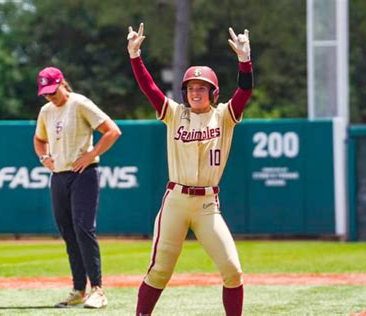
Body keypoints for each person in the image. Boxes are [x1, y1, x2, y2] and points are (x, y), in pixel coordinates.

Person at [127, 22, 253, 316]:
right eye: (191, 88)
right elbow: (150, 88)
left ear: (213, 92)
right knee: (159, 270)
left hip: (208, 204)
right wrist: (135, 57)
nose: (196, 92)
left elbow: (244, 93)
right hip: (177, 201)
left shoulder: (224, 116)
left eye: (202, 88)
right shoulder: (174, 113)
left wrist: (245, 61)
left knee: (233, 270)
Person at [33, 66, 121, 308]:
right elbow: (39, 139)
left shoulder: (79, 103)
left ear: (62, 83)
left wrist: (91, 154)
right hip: (59, 176)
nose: (50, 95)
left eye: (52, 90)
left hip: (84, 173)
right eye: (45, 92)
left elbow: (112, 131)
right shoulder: (46, 111)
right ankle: (78, 289)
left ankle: (98, 290)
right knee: (68, 232)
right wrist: (44, 158)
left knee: (83, 229)